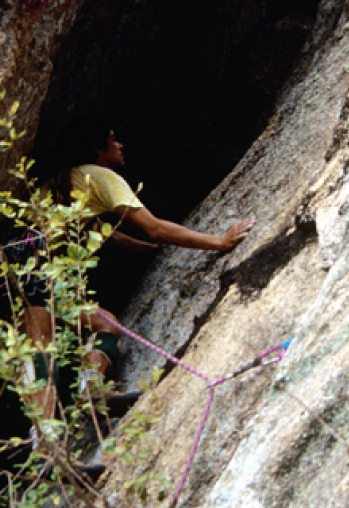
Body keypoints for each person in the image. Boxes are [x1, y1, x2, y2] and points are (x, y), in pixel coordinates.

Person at [67, 117, 255, 384]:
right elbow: (154, 228)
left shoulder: (72, 180)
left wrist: (149, 252)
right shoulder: (101, 178)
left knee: (55, 342)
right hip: (40, 280)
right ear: (98, 149)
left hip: (24, 274)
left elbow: (105, 235)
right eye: (112, 140)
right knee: (105, 325)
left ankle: (79, 398)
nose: (120, 145)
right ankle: (89, 393)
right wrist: (220, 242)